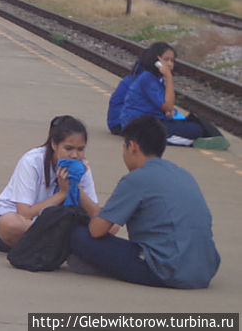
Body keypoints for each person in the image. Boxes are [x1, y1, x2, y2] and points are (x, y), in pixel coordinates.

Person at [69, 115, 220, 289]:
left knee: (79, 236)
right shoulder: (183, 174)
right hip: (204, 270)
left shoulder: (136, 179)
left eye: (124, 147)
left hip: (168, 271)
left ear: (132, 146)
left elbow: (96, 231)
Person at [0, 115, 99, 252]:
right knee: (10, 224)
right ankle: (64, 245)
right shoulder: (32, 161)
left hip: (59, 224)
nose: (75, 155)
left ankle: (56, 244)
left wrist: (74, 186)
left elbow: (96, 214)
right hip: (26, 222)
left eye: (80, 149)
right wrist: (63, 193)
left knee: (110, 225)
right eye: (68, 148)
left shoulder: (81, 167)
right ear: (54, 144)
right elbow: (25, 213)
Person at [118, 42, 207, 146]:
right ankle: (187, 142)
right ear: (156, 61)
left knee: (193, 125)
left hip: (144, 123)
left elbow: (166, 107)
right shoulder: (147, 79)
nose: (169, 64)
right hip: (140, 127)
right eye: (166, 60)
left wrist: (168, 112)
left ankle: (190, 139)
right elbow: (168, 106)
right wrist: (169, 77)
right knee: (195, 129)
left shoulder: (154, 79)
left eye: (172, 60)